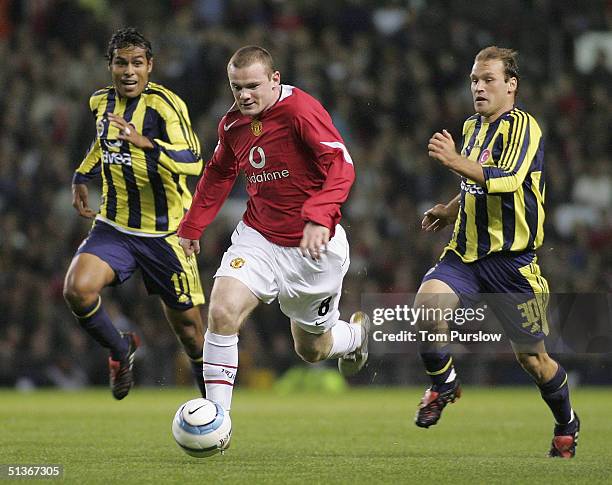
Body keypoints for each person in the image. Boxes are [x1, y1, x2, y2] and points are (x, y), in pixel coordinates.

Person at [177, 46, 370, 423]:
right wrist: (193, 223)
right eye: (236, 87)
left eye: (252, 86)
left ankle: (355, 337)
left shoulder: (300, 110)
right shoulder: (232, 124)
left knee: (312, 350)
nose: (244, 95)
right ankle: (217, 418)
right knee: (221, 310)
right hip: (259, 236)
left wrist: (319, 216)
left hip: (313, 247)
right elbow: (219, 172)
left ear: (274, 79)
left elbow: (341, 164)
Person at [414, 46, 579, 458]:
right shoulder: (472, 127)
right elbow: (473, 183)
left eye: (488, 79)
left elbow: (505, 180)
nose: (479, 87)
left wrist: (452, 159)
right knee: (427, 307)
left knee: (534, 361)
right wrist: (449, 210)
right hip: (465, 256)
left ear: (511, 85)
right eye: (474, 80)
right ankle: (444, 383)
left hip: (514, 266)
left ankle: (566, 422)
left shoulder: (525, 127)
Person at [63, 27, 206, 400]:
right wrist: (82, 174)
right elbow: (102, 144)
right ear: (109, 65)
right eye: (121, 62)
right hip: (115, 226)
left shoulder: (165, 105)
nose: (129, 71)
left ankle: (215, 409)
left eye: (137, 63)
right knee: (78, 291)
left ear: (150, 66)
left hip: (167, 234)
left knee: (191, 334)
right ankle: (120, 348)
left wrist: (148, 144)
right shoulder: (100, 103)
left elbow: (193, 161)